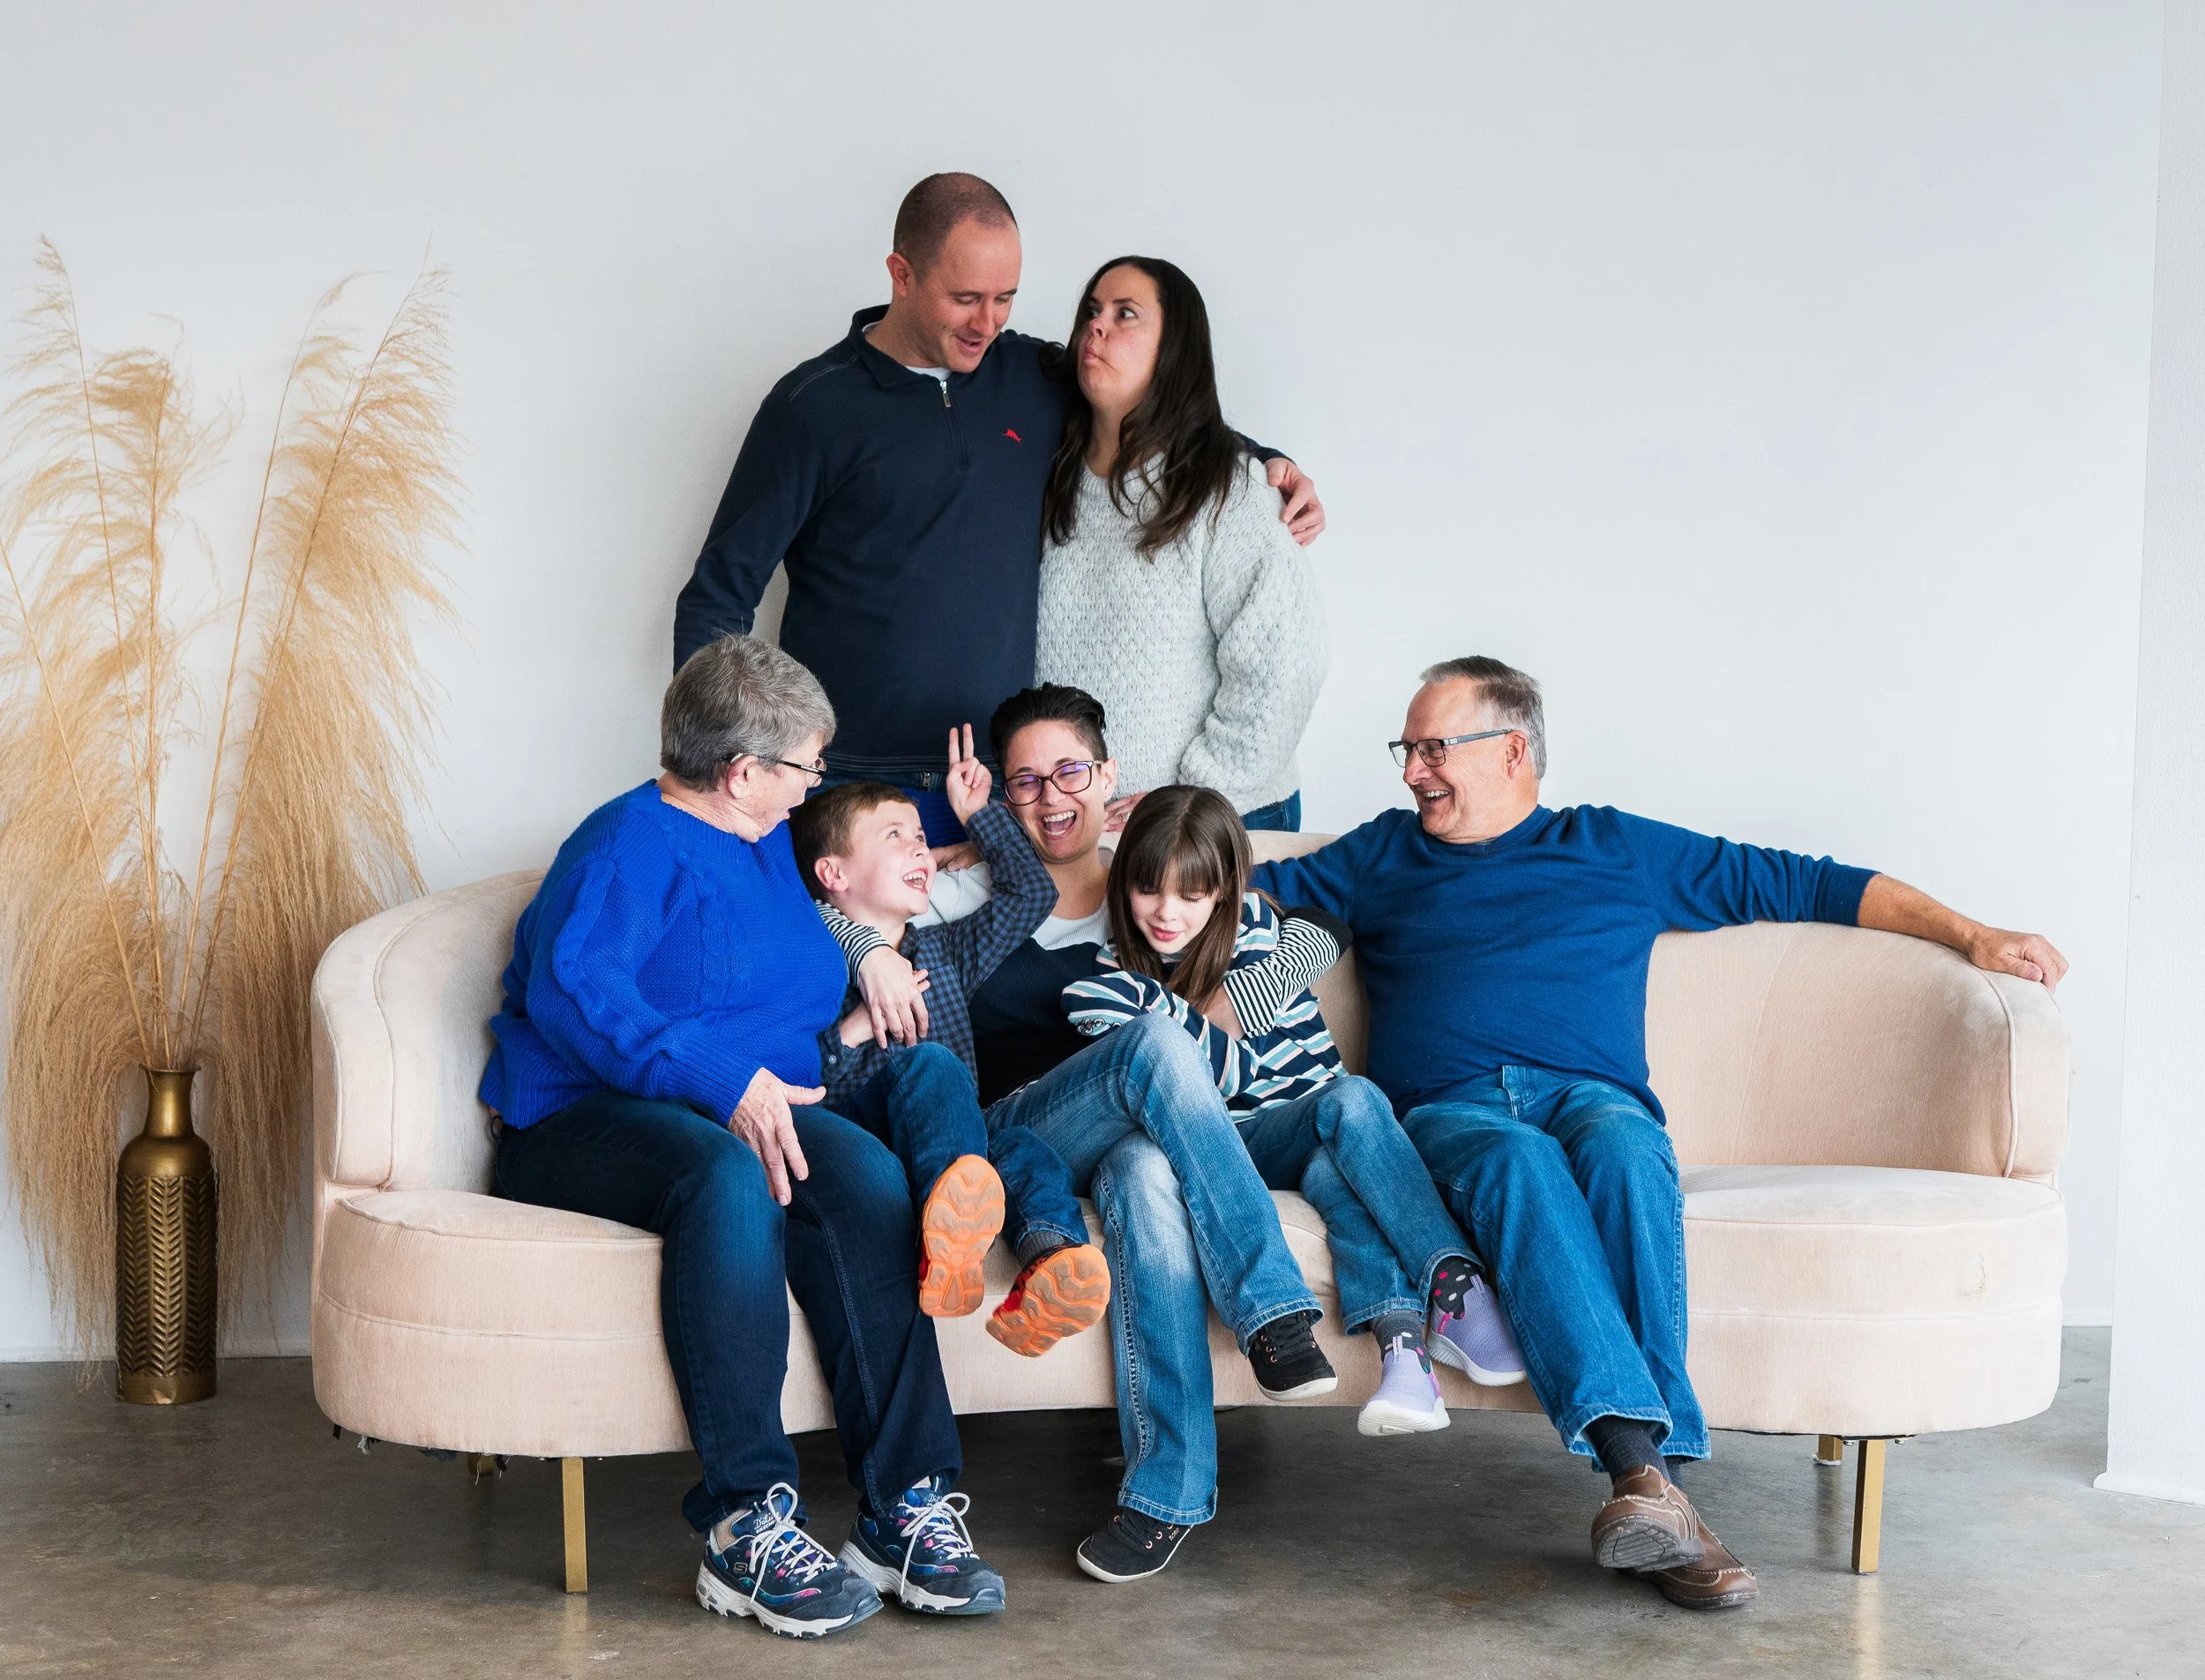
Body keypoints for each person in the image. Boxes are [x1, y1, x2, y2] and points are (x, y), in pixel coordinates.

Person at [1251, 655, 2070, 1613]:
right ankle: (1648, 1477)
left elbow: (1810, 883)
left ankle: (1654, 1494)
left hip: (1593, 1097)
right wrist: (1124, 843)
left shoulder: (1613, 847)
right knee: (1520, 1164)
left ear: (1512, 751)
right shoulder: (1381, 855)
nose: (1410, 770)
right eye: (1406, 748)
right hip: (1451, 1110)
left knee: (1629, 1151)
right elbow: (1219, 891)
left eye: (1433, 748)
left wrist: (1972, 935)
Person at [478, 635, 1006, 1637]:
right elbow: (573, 994)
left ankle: (903, 1508)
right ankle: (743, 1524)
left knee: (870, 1182)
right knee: (725, 1177)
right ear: (740, 772)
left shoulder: (764, 837)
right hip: (581, 1118)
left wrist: (880, 936)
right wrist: (723, 1080)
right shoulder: (625, 846)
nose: (816, 780)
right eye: (806, 764)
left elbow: (844, 886)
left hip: (746, 1104)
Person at [831, 685, 1364, 1584]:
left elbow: (1320, 923)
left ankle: (1165, 1496)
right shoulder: (963, 891)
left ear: (1108, 776)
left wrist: (1231, 1006)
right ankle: (1273, 1310)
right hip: (1011, 1135)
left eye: (1070, 771)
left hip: (1129, 1140)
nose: (1051, 796)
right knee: (1152, 1042)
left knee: (1145, 1169)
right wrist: (868, 948)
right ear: (1002, 795)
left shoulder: (1154, 880)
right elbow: (831, 894)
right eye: (1026, 780)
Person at [672, 173, 1325, 844]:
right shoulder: (812, 407)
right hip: (854, 782)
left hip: (1006, 788)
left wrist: (1266, 462)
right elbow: (719, 596)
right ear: (902, 276)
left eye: (1004, 298)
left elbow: (1156, 406)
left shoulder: (1033, 377)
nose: (987, 323)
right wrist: (720, 776)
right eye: (965, 299)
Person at [1061, 784, 1521, 1435]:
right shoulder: (1110, 976)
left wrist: (1205, 1005)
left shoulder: (1258, 925)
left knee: (1341, 1152)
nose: (1166, 913)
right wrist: (1215, 1016)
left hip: (1310, 1130)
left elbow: (1325, 931)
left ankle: (1410, 1353)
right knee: (1350, 1099)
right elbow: (1227, 1074)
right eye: (1147, 889)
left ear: (1223, 890)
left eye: (1191, 894)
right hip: (1219, 1146)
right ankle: (1448, 1292)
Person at [789, 729, 1110, 1356]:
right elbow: (798, 1076)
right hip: (863, 1138)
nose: (920, 847)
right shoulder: (812, 963)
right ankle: (951, 1228)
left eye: (920, 835)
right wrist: (855, 1028)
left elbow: (1032, 895)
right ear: (834, 873)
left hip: (961, 1142)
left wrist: (977, 815)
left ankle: (1049, 1266)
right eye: (895, 836)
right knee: (932, 1063)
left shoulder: (943, 950)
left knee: (1021, 1146)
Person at [1036, 258, 1327, 833]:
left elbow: (1287, 665)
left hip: (1216, 818)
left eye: (1126, 314)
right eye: (1092, 310)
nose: (1097, 325)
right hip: (1080, 825)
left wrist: (1195, 792)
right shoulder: (1049, 478)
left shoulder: (1232, 492)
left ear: (1175, 347)